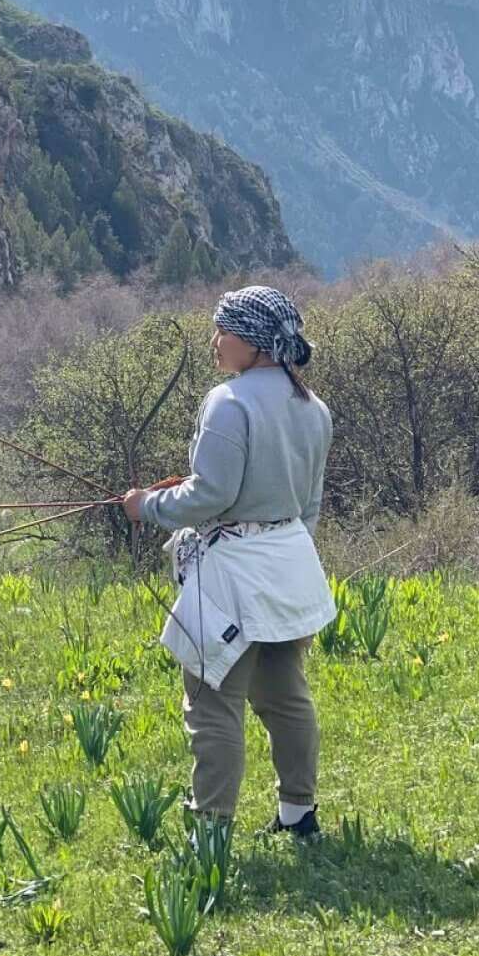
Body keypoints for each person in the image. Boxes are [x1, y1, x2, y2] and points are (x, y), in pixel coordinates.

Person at [123, 285, 335, 837]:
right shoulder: (312, 408)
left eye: (224, 331)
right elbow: (307, 505)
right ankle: (299, 816)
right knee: (284, 694)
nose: (216, 342)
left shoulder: (229, 401)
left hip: (233, 575)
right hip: (292, 566)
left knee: (213, 703)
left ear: (253, 341)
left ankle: (210, 833)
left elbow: (210, 496)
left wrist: (148, 505)